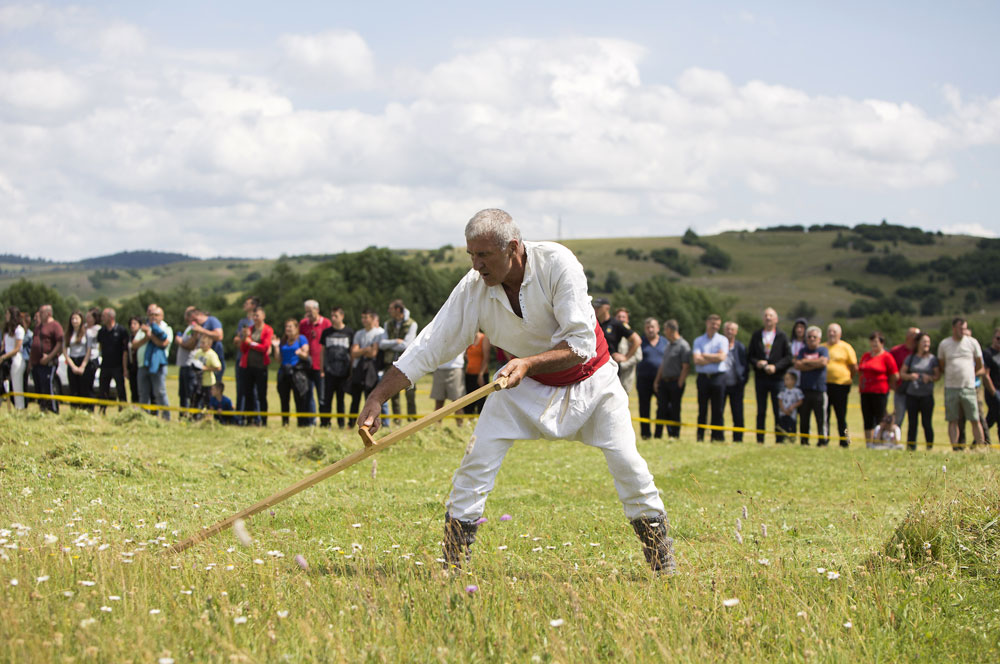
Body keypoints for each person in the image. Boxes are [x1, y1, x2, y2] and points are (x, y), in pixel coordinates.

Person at [357, 209, 674, 573]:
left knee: (629, 465)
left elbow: (581, 344)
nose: (476, 265)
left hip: (593, 383)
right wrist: (378, 396)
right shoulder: (474, 287)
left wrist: (526, 363)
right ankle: (453, 563)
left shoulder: (558, 264)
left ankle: (662, 563)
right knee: (475, 464)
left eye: (484, 255)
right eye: (471, 255)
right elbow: (431, 343)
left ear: (512, 247)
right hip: (519, 387)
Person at [937, 317, 985, 449]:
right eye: (960, 328)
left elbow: (979, 363)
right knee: (953, 420)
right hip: (951, 387)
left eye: (964, 328)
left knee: (975, 419)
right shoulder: (944, 344)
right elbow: (941, 364)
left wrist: (969, 374)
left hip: (969, 387)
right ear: (953, 328)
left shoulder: (972, 342)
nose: (963, 331)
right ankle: (955, 448)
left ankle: (981, 447)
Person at [748, 308, 793, 443]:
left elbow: (788, 357)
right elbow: (750, 356)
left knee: (777, 409)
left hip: (777, 379)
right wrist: (758, 363)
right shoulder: (756, 335)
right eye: (766, 316)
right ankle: (759, 439)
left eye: (771, 316)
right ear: (763, 319)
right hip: (761, 378)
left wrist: (776, 367)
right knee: (761, 410)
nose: (768, 318)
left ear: (776, 319)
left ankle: (779, 439)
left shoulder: (782, 336)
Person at [898, 332, 940, 450]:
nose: (926, 344)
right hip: (912, 395)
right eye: (924, 342)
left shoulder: (932, 359)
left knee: (926, 423)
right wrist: (911, 376)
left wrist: (930, 378)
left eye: (928, 342)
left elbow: (937, 376)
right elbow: (902, 374)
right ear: (918, 344)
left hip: (927, 395)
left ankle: (929, 447)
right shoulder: (911, 358)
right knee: (912, 423)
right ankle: (911, 448)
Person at [379, 300, 418, 424]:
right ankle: (397, 422)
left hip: (408, 363)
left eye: (390, 309)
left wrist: (391, 344)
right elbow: (382, 344)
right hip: (391, 363)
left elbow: (407, 345)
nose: (388, 311)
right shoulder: (387, 323)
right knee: (393, 394)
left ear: (398, 310)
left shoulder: (412, 324)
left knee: (410, 395)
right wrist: (396, 341)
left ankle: (412, 421)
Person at [692, 314, 728, 442]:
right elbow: (696, 359)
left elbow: (722, 358)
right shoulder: (698, 340)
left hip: (718, 378)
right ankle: (700, 436)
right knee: (702, 408)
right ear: (707, 323)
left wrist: (704, 356)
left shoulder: (723, 340)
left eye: (717, 325)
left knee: (718, 408)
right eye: (713, 324)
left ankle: (717, 437)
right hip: (703, 378)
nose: (715, 326)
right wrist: (714, 357)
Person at [653, 319, 691, 439]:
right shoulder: (668, 345)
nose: (664, 332)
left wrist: (680, 383)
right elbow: (663, 364)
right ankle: (657, 435)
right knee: (661, 409)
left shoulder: (683, 345)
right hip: (664, 382)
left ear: (670, 330)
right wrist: (657, 380)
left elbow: (686, 366)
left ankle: (674, 435)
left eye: (665, 329)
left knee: (675, 410)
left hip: (675, 382)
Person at [858, 331, 898, 445]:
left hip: (880, 391)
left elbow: (894, 374)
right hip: (865, 391)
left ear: (882, 343)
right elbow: (861, 371)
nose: (874, 344)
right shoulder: (866, 356)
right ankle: (869, 443)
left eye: (876, 341)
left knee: (880, 417)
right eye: (872, 341)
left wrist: (888, 385)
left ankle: (879, 441)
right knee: (867, 418)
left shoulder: (887, 356)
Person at [134, 305, 173, 420]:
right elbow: (134, 344)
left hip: (158, 366)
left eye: (156, 315)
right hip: (143, 365)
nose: (153, 317)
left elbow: (164, 343)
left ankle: (166, 418)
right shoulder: (145, 328)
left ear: (162, 316)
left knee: (160, 392)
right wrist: (146, 336)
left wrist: (150, 335)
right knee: (143, 393)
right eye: (151, 315)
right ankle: (144, 417)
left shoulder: (166, 329)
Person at [319, 306, 355, 428]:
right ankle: (325, 423)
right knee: (327, 399)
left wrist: (351, 370)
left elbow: (352, 353)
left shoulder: (349, 332)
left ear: (342, 316)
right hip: (329, 371)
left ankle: (341, 424)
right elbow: (322, 351)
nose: (333, 318)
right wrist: (322, 368)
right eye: (332, 316)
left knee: (341, 399)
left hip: (343, 372)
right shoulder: (326, 332)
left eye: (336, 316)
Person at [794, 326, 829, 446]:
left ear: (819, 338)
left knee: (821, 418)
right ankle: (804, 441)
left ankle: (822, 441)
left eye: (814, 337)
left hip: (819, 390)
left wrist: (806, 362)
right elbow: (798, 365)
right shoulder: (803, 350)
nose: (812, 339)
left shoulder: (823, 350)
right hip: (804, 389)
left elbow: (823, 362)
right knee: (804, 417)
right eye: (809, 337)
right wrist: (816, 363)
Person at [349, 308, 384, 426]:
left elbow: (373, 353)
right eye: (362, 317)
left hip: (372, 369)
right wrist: (366, 349)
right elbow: (353, 353)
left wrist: (361, 350)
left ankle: (369, 422)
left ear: (373, 319)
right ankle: (351, 423)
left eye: (366, 317)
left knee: (370, 397)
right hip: (358, 368)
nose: (363, 320)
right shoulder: (359, 333)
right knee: (355, 397)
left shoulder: (379, 333)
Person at [239, 306, 274, 427]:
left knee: (261, 395)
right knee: (248, 394)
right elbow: (243, 349)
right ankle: (250, 420)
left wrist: (251, 343)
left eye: (257, 315)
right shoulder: (249, 329)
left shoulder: (268, 330)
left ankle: (263, 421)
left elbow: (265, 347)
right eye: (254, 316)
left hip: (260, 367)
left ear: (263, 316)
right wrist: (244, 338)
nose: (255, 318)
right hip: (248, 366)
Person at [824, 322, 858, 447]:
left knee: (841, 415)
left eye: (834, 331)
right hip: (825, 385)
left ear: (840, 334)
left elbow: (854, 367)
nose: (832, 334)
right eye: (830, 331)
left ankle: (844, 442)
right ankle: (824, 440)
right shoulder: (822, 347)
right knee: (825, 414)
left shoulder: (846, 347)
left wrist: (847, 378)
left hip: (841, 386)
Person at [275, 318, 313, 427]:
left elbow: (306, 354)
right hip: (284, 372)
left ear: (296, 328)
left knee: (300, 399)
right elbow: (278, 359)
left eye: (290, 326)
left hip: (297, 374)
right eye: (286, 327)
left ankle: (301, 423)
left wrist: (301, 353)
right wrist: (276, 347)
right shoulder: (283, 341)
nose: (288, 329)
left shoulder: (301, 339)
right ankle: (285, 423)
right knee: (284, 399)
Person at [636, 318, 667, 440]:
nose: (650, 329)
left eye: (653, 327)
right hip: (643, 379)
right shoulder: (640, 342)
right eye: (648, 327)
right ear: (645, 329)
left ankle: (659, 434)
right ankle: (645, 434)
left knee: (662, 407)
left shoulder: (665, 342)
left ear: (658, 328)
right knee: (644, 407)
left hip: (661, 380)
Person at [299, 300, 329, 420]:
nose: (308, 315)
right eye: (306, 312)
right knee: (307, 395)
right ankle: (311, 420)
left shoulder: (326, 323)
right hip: (306, 365)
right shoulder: (303, 324)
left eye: (310, 312)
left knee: (322, 396)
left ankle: (324, 421)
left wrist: (324, 366)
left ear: (317, 310)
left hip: (320, 366)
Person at [593, 297, 641, 374]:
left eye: (599, 307)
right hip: (594, 366)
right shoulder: (593, 323)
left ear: (607, 308)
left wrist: (626, 357)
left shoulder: (616, 324)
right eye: (594, 307)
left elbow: (637, 340)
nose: (596, 309)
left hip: (610, 366)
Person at [232, 296, 260, 424]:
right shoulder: (242, 322)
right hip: (240, 359)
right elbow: (237, 341)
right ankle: (240, 417)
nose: (244, 304)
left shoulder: (257, 322)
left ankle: (255, 417)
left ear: (253, 306)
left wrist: (246, 340)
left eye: (247, 303)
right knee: (240, 389)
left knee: (253, 391)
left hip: (252, 361)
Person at [96, 308, 129, 413]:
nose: (101, 318)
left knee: (120, 390)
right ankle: (102, 410)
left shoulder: (121, 331)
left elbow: (125, 351)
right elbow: (100, 347)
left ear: (111, 317)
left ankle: (123, 411)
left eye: (104, 316)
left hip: (118, 366)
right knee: (103, 390)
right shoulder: (101, 332)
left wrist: (124, 368)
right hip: (105, 365)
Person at [889, 327, 921, 429]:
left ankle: (911, 443)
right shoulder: (896, 351)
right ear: (908, 336)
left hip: (917, 390)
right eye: (915, 336)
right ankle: (894, 439)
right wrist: (892, 384)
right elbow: (888, 369)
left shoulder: (920, 352)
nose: (917, 339)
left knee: (914, 418)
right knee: (898, 416)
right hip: (900, 389)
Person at [722, 321, 749, 442]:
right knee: (718, 412)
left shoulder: (740, 347)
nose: (729, 331)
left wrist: (743, 381)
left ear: (736, 332)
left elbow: (745, 366)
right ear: (724, 331)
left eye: (732, 329)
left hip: (737, 386)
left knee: (738, 413)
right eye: (727, 329)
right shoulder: (719, 345)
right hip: (721, 385)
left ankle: (738, 439)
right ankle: (718, 436)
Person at [63, 310, 92, 409]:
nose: (74, 321)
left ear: (81, 319)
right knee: (73, 389)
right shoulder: (68, 333)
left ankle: (85, 410)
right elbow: (65, 352)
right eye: (72, 319)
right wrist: (73, 367)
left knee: (84, 388)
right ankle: (74, 410)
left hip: (83, 361)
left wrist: (83, 366)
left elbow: (89, 350)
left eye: (76, 318)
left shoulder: (87, 333)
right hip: (72, 362)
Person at [190, 309, 226, 382]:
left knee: (215, 384)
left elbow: (219, 336)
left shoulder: (212, 320)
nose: (195, 322)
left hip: (215, 356)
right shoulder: (200, 325)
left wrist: (202, 330)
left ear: (200, 315)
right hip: (204, 361)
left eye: (195, 319)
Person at [175, 306, 198, 415]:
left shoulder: (194, 327)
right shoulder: (188, 328)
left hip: (190, 365)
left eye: (186, 314)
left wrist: (180, 342)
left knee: (190, 392)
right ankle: (183, 415)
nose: (185, 316)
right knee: (182, 393)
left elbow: (191, 345)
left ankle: (192, 416)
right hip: (183, 365)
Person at [190, 333, 222, 412]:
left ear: (209, 344)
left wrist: (205, 368)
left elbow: (218, 367)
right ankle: (194, 417)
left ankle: (207, 419)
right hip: (198, 382)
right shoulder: (198, 352)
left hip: (208, 383)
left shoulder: (212, 354)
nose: (201, 345)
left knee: (208, 403)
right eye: (201, 342)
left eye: (203, 343)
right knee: (194, 401)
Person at [1, 306, 26, 410]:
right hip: (6, 359)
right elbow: (4, 345)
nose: (6, 316)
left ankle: (19, 409)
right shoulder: (7, 330)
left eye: (8, 314)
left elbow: (17, 348)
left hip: (16, 360)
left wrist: (4, 357)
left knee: (17, 386)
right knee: (6, 384)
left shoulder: (19, 330)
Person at [613, 308, 642, 394]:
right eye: (619, 317)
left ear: (627, 320)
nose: (621, 319)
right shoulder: (609, 333)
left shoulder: (632, 336)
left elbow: (638, 356)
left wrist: (622, 364)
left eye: (623, 317)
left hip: (625, 377)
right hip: (611, 375)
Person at [431, 352, 467, 421]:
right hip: (439, 369)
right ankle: (436, 429)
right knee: (439, 403)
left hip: (455, 368)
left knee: (458, 403)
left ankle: (461, 428)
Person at [463, 331, 491, 416]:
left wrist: (481, 374)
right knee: (469, 403)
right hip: (469, 374)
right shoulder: (468, 339)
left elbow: (486, 358)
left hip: (481, 375)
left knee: (481, 402)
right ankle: (469, 424)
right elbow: (465, 355)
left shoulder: (484, 338)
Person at [984, 327, 1000, 441]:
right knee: (994, 418)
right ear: (993, 338)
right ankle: (980, 441)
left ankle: (978, 442)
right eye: (998, 338)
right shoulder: (988, 353)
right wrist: (994, 393)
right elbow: (986, 374)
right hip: (993, 391)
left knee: (992, 418)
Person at [777, 372, 803, 439]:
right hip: (783, 414)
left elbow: (800, 401)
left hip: (792, 415)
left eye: (788, 379)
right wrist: (784, 410)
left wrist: (792, 407)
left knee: (792, 428)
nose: (786, 381)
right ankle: (782, 440)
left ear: (794, 381)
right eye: (785, 379)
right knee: (782, 427)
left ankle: (791, 440)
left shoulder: (797, 391)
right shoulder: (782, 390)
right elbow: (780, 401)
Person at [83, 308, 102, 402]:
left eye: (89, 317)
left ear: (95, 318)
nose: (87, 319)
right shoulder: (84, 327)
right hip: (82, 358)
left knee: (89, 383)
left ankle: (90, 406)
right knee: (83, 385)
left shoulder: (98, 329)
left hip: (92, 359)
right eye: (86, 317)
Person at [126, 316, 143, 404]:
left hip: (141, 366)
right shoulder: (128, 338)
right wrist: (125, 369)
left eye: (135, 324)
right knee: (133, 389)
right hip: (132, 367)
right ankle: (135, 410)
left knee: (143, 390)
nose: (132, 326)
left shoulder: (143, 336)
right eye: (131, 324)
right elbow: (125, 354)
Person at [787, 318, 807, 385]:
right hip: (791, 372)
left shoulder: (807, 345)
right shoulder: (790, 343)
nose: (799, 330)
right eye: (797, 327)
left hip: (803, 374)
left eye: (801, 327)